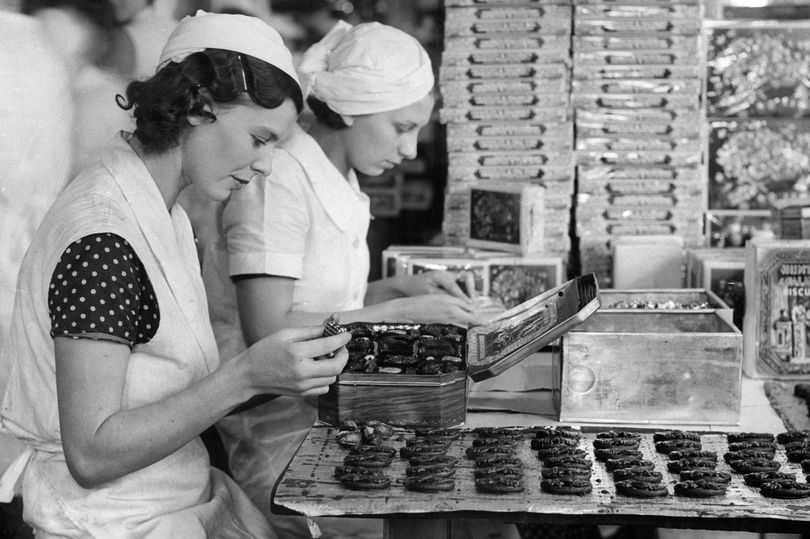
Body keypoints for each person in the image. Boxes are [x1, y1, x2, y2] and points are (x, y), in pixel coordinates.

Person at [0, 11, 351, 538]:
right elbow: (92, 453)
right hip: (109, 524)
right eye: (259, 138)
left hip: (173, 501)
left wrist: (279, 370)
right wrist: (245, 377)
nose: (266, 165)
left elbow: (169, 384)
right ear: (198, 108)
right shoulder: (103, 238)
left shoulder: (164, 215)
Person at [202, 21, 480, 538]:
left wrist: (398, 291)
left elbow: (327, 301)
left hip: (337, 414)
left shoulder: (340, 175)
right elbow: (270, 331)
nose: (412, 149)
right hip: (280, 439)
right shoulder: (278, 178)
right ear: (352, 108)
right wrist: (397, 314)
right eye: (401, 127)